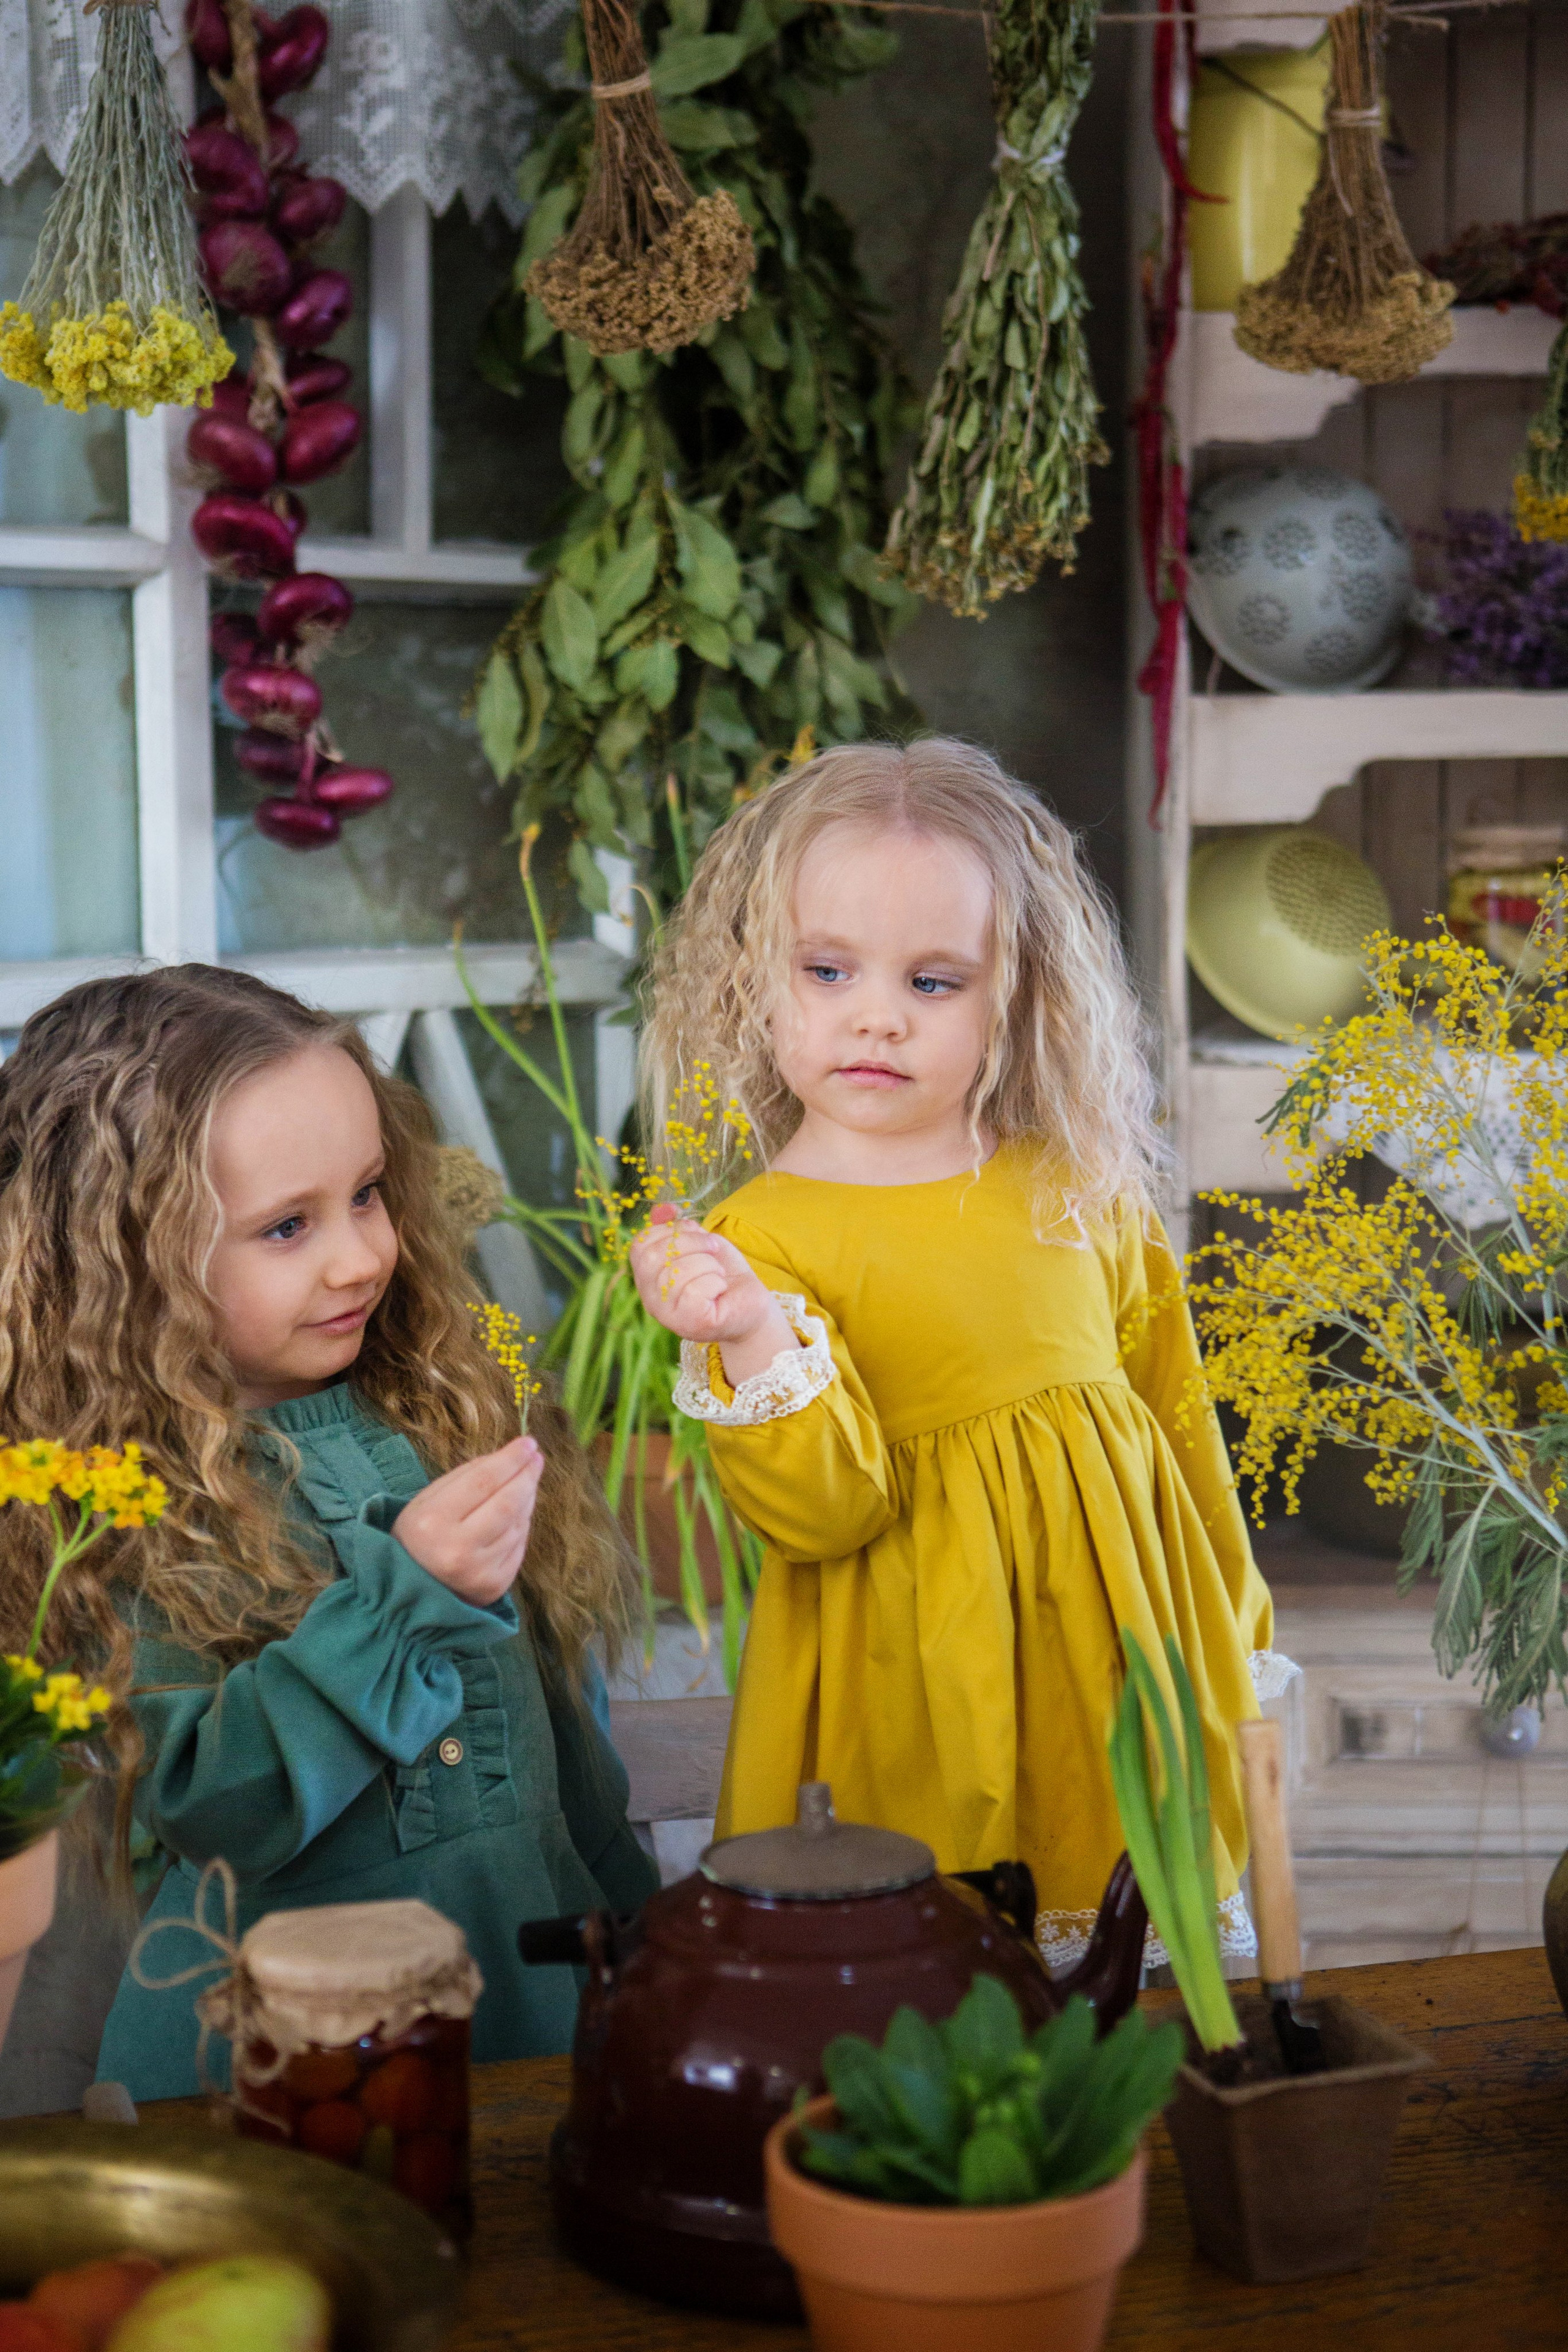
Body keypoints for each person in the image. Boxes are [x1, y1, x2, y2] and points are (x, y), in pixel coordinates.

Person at [631, 738, 1292, 1970]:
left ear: (1016, 994)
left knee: (1119, 2007)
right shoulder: (760, 1242)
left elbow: (1174, 1412)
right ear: (755, 981)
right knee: (918, 2012)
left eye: (934, 982)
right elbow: (823, 1516)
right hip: (906, 1712)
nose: (876, 1014)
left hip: (1118, 1699)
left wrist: (1236, 1625)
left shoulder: (1076, 1189)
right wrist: (744, 1333)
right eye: (827, 969)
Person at [0, 966, 655, 2098]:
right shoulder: (117, 1509)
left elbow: (569, 1771)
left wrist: (653, 1954)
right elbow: (215, 1806)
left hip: (542, 2030)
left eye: (366, 1194)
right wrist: (409, 1600)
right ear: (127, 1261)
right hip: (274, 2082)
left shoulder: (447, 1407)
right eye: (287, 1226)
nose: (358, 1257)